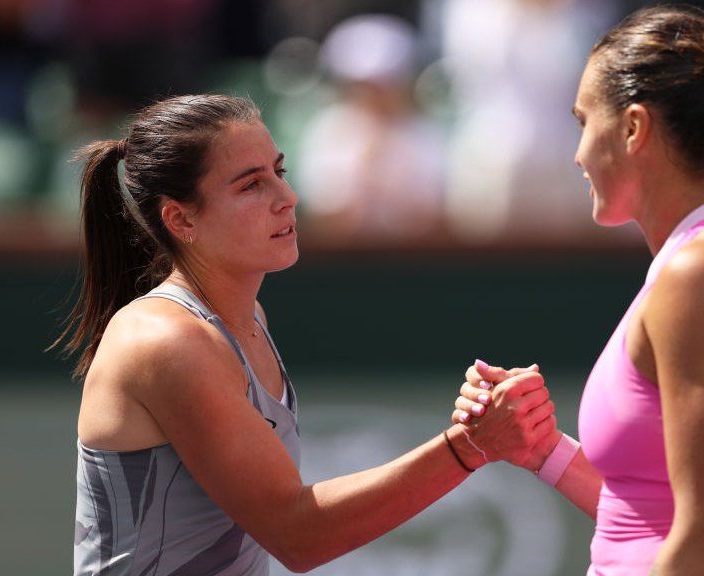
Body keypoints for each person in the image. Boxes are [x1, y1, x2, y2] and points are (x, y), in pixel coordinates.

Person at [52, 94, 557, 575]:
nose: (287, 197)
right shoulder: (169, 342)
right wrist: (469, 446)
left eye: (280, 171)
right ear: (181, 218)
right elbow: (299, 535)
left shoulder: (247, 322)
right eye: (251, 185)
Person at [453, 6, 704, 575]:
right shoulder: (700, 264)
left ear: (632, 128)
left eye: (582, 122)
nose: (576, 154)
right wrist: (543, 452)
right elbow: (648, 519)